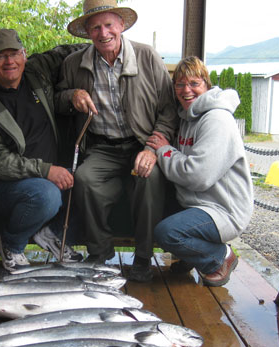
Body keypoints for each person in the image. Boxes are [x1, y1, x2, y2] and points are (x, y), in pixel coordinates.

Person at [55, 0, 178, 282]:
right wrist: (72, 96)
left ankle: (144, 257)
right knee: (84, 178)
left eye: (109, 25)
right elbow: (57, 100)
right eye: (95, 27)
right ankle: (100, 254)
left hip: (141, 144)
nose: (103, 33)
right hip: (102, 147)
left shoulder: (147, 56)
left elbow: (169, 109)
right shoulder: (74, 64)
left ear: (121, 25)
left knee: (150, 178)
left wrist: (151, 148)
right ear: (87, 32)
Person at [0, 29, 85, 271]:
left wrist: (102, 48)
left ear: (24, 55)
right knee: (46, 195)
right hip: (3, 184)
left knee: (89, 180)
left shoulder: (36, 71)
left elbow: (65, 51)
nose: (9, 62)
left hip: (46, 175)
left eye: (14, 53)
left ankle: (51, 235)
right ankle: (10, 244)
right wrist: (46, 171)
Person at [146, 56, 254, 287]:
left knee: (167, 232)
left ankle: (219, 257)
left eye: (194, 83)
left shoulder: (217, 120)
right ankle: (190, 256)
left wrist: (164, 150)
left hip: (223, 210)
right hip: (198, 204)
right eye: (180, 85)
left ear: (206, 84)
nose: (187, 90)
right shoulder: (186, 117)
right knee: (151, 207)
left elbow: (198, 175)